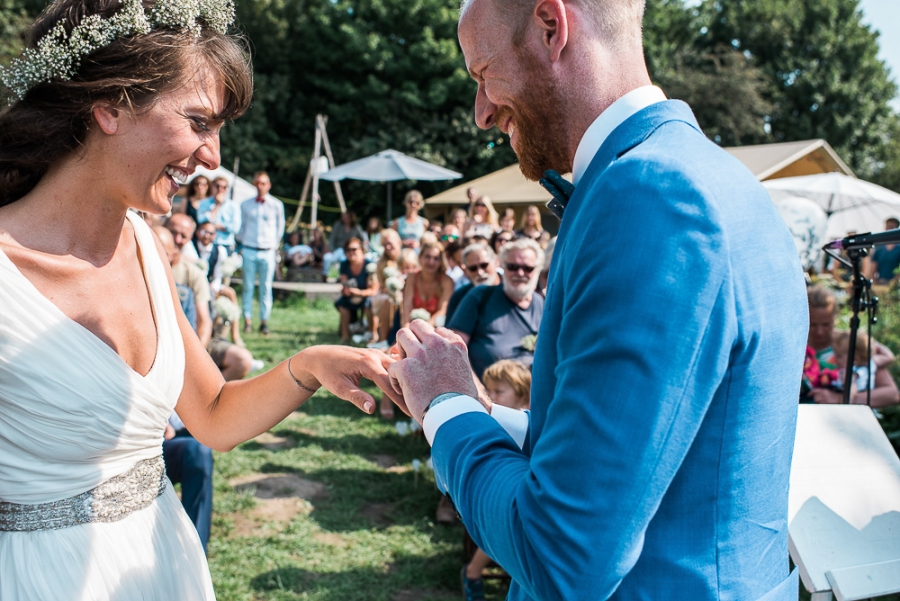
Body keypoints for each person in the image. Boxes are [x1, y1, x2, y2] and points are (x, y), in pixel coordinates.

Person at [385, 1, 809, 599]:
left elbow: (561, 554)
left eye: (483, 74)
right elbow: (645, 447)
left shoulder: (649, 197)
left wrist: (446, 408)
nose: (481, 112)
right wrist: (482, 410)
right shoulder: (709, 174)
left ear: (551, 27)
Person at [0, 2, 400, 597]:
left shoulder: (146, 243)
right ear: (109, 106)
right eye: (199, 122)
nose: (213, 155)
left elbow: (211, 415)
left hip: (166, 558)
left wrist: (310, 364)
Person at [461, 359, 532, 600]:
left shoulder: (528, 421)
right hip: (506, 492)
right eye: (488, 389)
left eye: (498, 391)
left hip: (526, 484)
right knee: (504, 526)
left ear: (523, 396)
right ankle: (473, 571)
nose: (490, 396)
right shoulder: (491, 420)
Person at [163, 218, 254, 381]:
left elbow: (204, 323)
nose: (177, 239)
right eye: (172, 232)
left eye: (183, 236)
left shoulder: (193, 273)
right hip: (161, 341)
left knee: (242, 360)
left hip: (192, 342)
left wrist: (193, 361)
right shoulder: (142, 264)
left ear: (190, 238)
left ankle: (209, 398)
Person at [447, 239, 544, 379]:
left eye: (528, 268)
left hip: (531, 396)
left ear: (537, 270)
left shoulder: (540, 303)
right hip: (486, 396)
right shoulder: (480, 296)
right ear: (503, 266)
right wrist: (476, 389)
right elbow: (453, 348)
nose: (520, 273)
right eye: (512, 267)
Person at [805, 285, 899, 406]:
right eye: (812, 324)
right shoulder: (794, 347)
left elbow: (892, 394)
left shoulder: (850, 343)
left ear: (835, 317)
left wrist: (840, 399)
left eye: (826, 324)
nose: (820, 331)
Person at [238, 171, 284, 336]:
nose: (260, 186)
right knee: (248, 286)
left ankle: (264, 321)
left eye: (263, 183)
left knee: (266, 288)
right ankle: (247, 319)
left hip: (267, 251)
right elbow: (241, 226)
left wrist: (273, 245)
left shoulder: (276, 205)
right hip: (249, 249)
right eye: (257, 183)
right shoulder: (245, 204)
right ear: (254, 184)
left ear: (268, 185)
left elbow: (280, 227)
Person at [335, 237, 379, 343]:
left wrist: (359, 293)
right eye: (348, 250)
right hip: (352, 296)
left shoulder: (369, 265)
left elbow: (373, 290)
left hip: (367, 295)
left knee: (369, 302)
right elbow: (344, 282)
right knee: (342, 303)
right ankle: (345, 336)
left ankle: (373, 334)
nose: (351, 252)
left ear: (361, 250)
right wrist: (345, 291)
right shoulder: (344, 264)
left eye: (354, 249)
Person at [401, 241, 453, 328]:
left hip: (436, 328)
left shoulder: (447, 281)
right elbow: (407, 306)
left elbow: (442, 311)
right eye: (427, 257)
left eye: (436, 258)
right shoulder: (412, 277)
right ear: (420, 257)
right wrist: (406, 329)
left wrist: (424, 330)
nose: (431, 262)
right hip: (412, 326)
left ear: (441, 262)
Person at [445, 243, 501, 323]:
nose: (480, 272)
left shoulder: (513, 290)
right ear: (466, 271)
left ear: (496, 262)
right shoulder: (459, 297)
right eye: (473, 268)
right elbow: (450, 332)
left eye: (484, 265)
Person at [197, 175, 241, 251]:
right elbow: (200, 220)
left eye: (224, 187)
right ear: (212, 187)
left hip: (225, 244)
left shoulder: (234, 206)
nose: (220, 189)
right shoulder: (203, 203)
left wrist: (216, 226)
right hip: (206, 243)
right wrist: (217, 205)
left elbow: (235, 228)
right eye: (217, 186)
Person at [324, 211, 367, 277]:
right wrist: (331, 248)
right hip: (338, 249)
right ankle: (325, 274)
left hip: (350, 250)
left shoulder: (356, 227)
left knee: (344, 260)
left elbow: (363, 239)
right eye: (345, 216)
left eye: (348, 217)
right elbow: (332, 238)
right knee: (327, 258)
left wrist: (361, 249)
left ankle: (342, 276)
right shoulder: (338, 225)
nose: (346, 218)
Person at [866, 217, 900, 284]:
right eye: (888, 226)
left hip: (896, 285)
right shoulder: (879, 249)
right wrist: (875, 285)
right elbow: (873, 269)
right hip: (880, 283)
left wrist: (892, 284)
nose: (889, 229)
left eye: (892, 227)